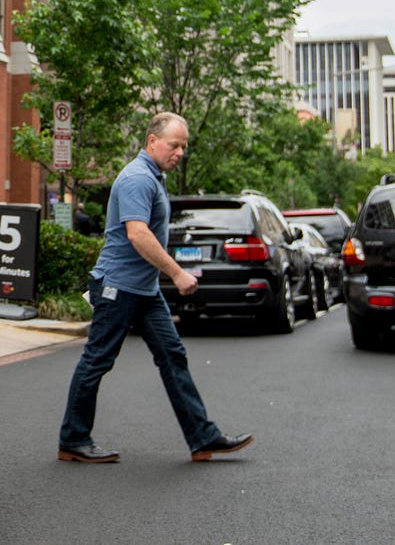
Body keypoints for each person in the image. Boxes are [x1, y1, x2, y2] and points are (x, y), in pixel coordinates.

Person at [57, 112, 252, 464]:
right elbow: (137, 234)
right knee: (97, 360)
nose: (180, 152)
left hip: (144, 290)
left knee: (172, 356)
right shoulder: (136, 178)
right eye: (174, 145)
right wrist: (177, 273)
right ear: (152, 142)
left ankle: (203, 437)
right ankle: (73, 439)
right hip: (117, 287)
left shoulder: (153, 176)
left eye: (184, 147)